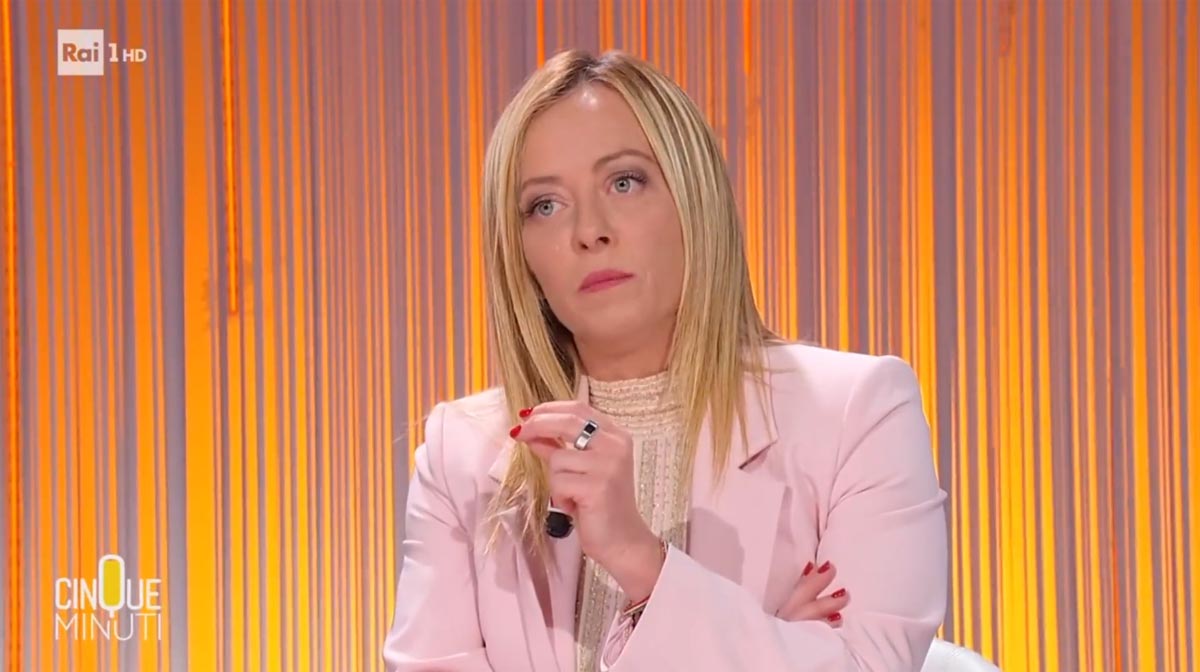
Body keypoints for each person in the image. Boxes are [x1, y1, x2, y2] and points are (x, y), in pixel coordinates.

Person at [382, 49, 948, 672]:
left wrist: (639, 560)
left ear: (694, 199)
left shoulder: (856, 412)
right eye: (545, 205)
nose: (589, 231)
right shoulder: (460, 453)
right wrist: (766, 644)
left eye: (624, 182)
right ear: (519, 254)